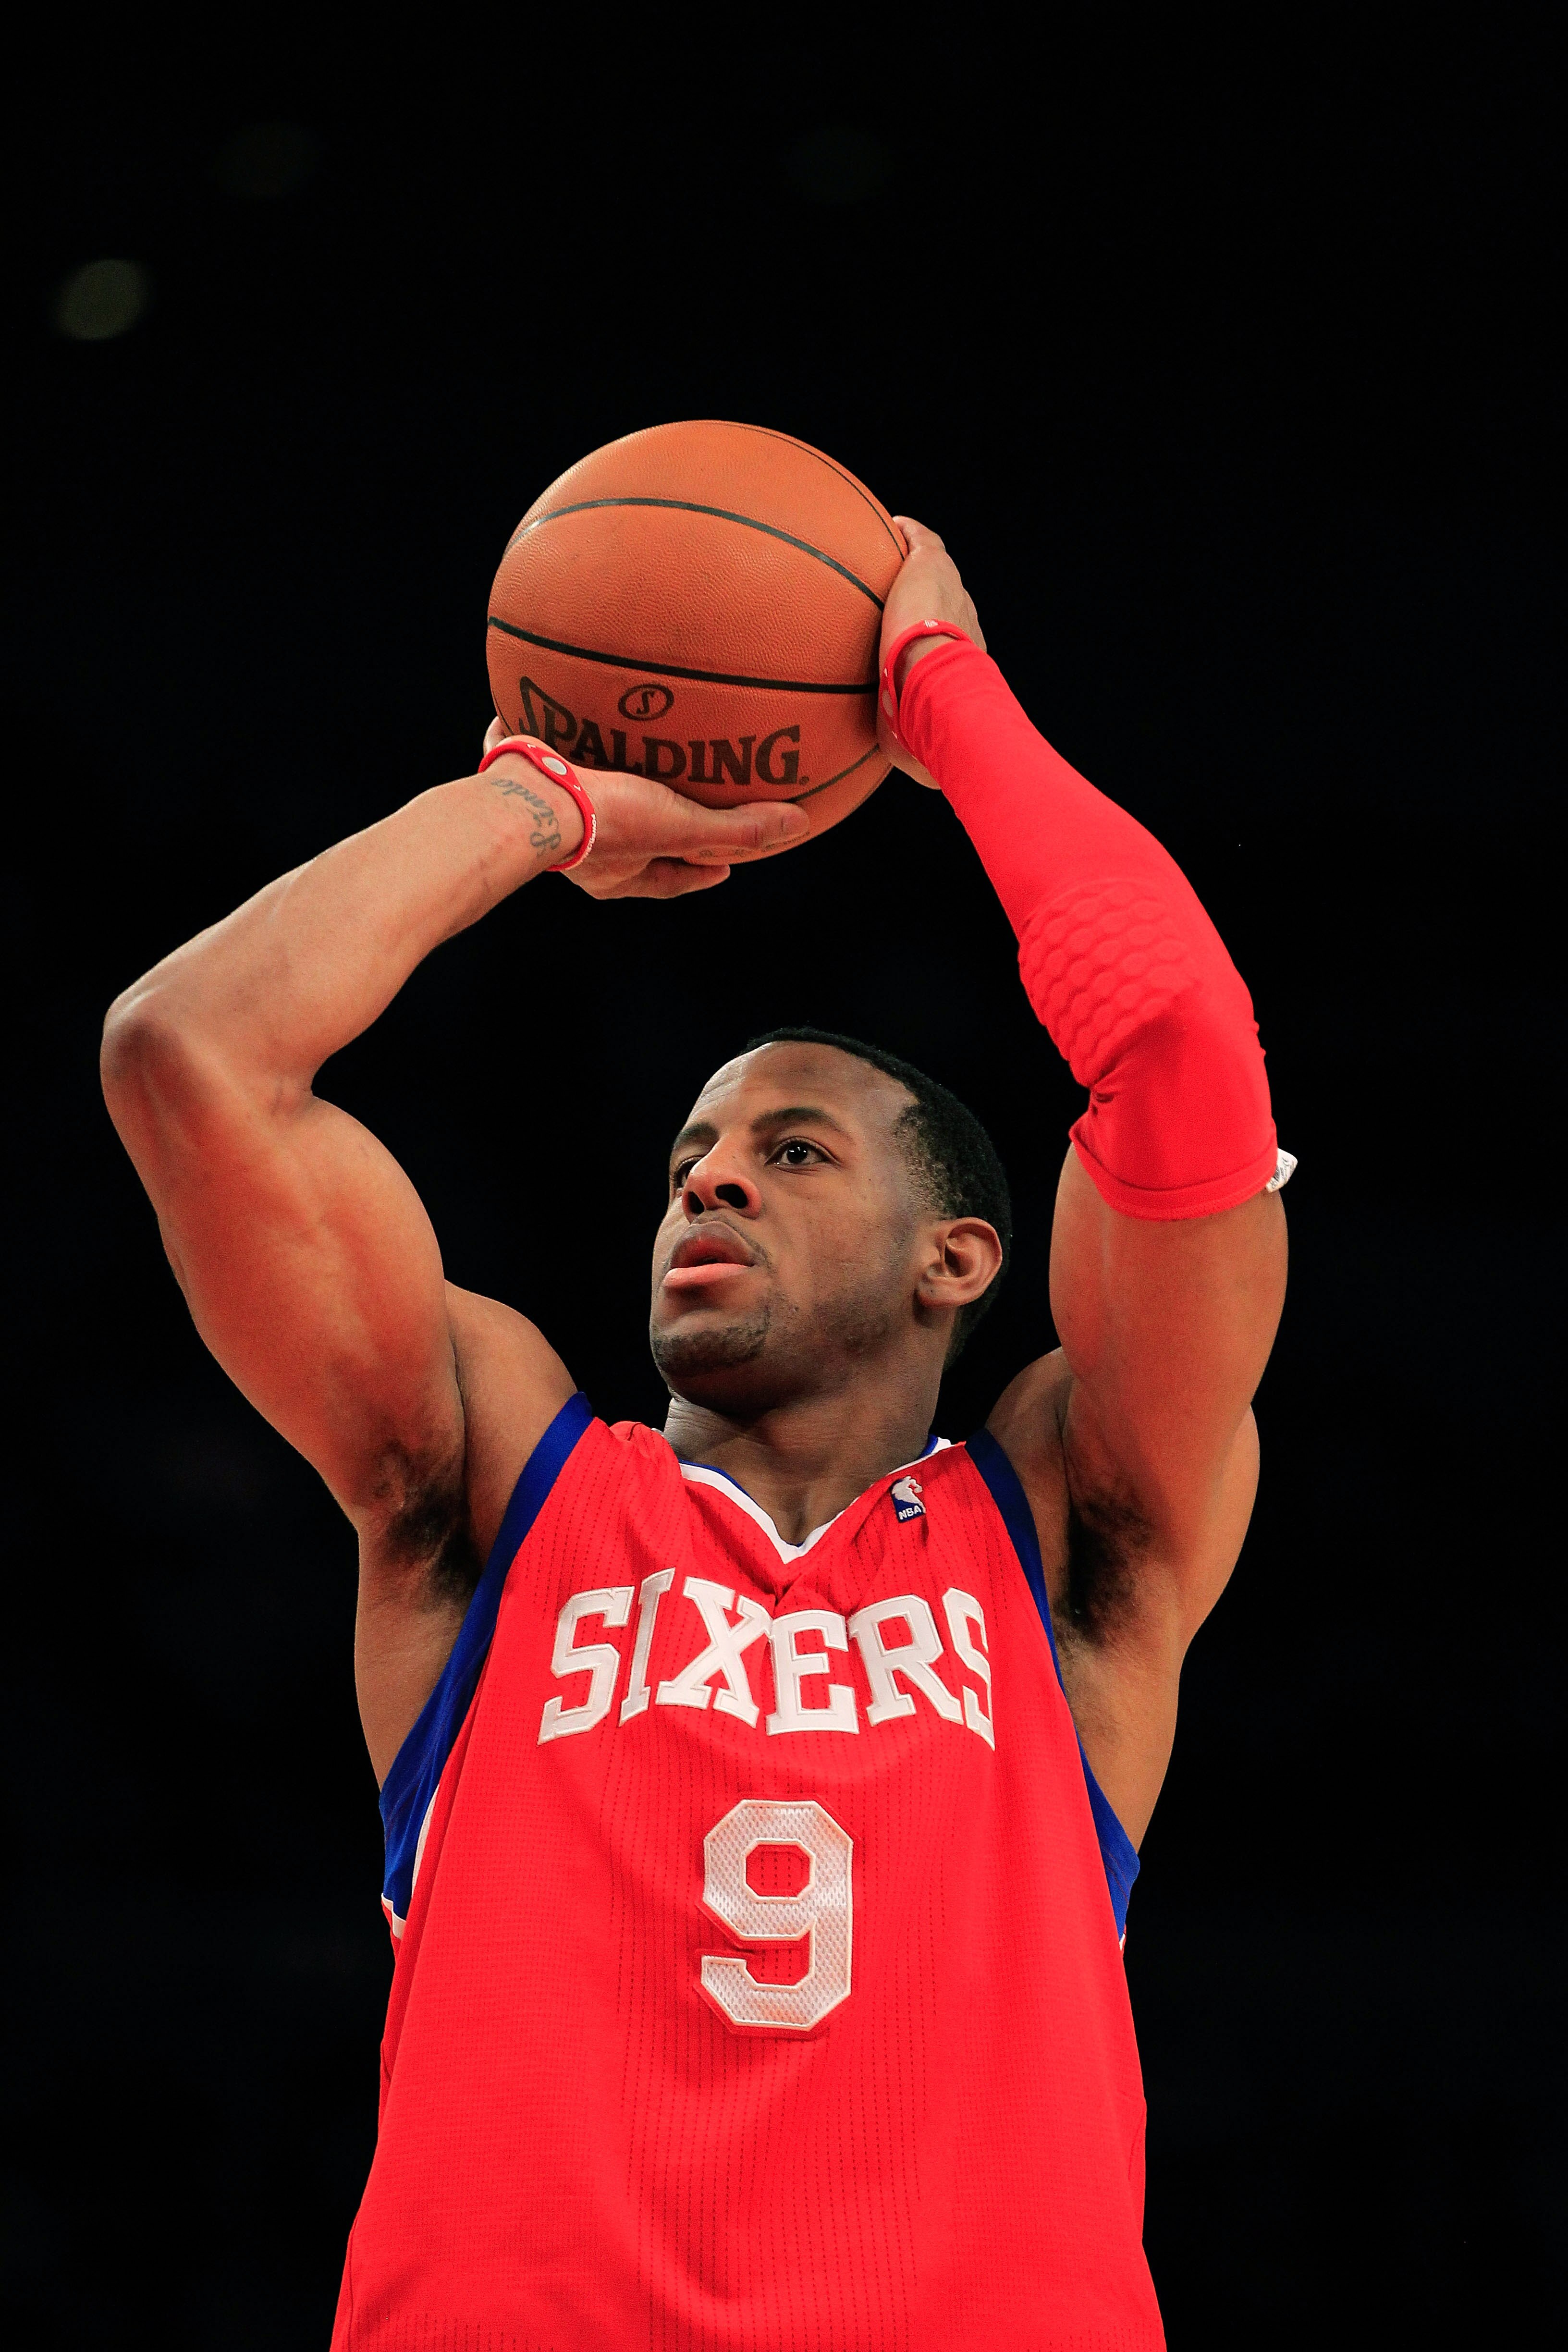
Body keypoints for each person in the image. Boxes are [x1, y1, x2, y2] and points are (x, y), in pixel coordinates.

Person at [101, 519, 1289, 2350]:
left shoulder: (1072, 1525)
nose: (710, 1178)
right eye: (687, 1163)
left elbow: (1182, 1054)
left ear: (959, 1257)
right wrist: (533, 808)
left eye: (790, 1151)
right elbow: (190, 1051)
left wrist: (943, 705)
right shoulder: (498, 1478)